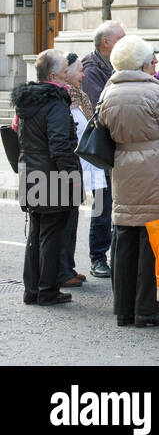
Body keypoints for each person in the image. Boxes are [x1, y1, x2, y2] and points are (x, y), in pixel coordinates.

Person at [98, 36, 159, 328]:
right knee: (151, 243)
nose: (154, 65)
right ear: (142, 63)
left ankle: (124, 310)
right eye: (152, 61)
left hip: (122, 168)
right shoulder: (155, 92)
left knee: (124, 240)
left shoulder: (109, 91)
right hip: (154, 170)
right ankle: (146, 309)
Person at [15, 50, 80, 306]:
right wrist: (70, 176)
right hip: (52, 174)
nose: (68, 77)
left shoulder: (27, 101)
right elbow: (59, 143)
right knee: (52, 235)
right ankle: (47, 290)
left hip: (30, 171)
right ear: (53, 75)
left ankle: (33, 290)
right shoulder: (54, 102)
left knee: (37, 232)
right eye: (65, 72)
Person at [81, 20, 124, 279]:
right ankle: (97, 256)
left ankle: (106, 253)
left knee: (112, 204)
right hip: (100, 151)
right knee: (102, 206)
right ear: (105, 42)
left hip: (114, 148)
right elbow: (100, 108)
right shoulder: (92, 69)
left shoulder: (110, 66)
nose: (125, 41)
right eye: (121, 37)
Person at [58, 54, 98, 288]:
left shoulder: (79, 98)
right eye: (79, 71)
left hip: (76, 169)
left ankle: (67, 267)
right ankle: (61, 271)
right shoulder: (64, 101)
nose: (83, 75)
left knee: (70, 222)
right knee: (62, 224)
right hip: (64, 172)